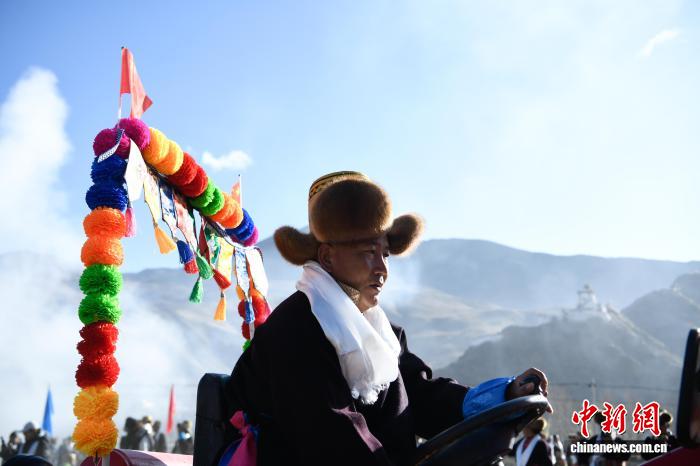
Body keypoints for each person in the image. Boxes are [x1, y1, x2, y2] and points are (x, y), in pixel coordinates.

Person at [227, 171, 551, 465]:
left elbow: (422, 399)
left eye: (385, 253)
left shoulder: (385, 335)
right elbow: (333, 438)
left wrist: (505, 395)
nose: (382, 269)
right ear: (327, 257)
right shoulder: (296, 329)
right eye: (368, 252)